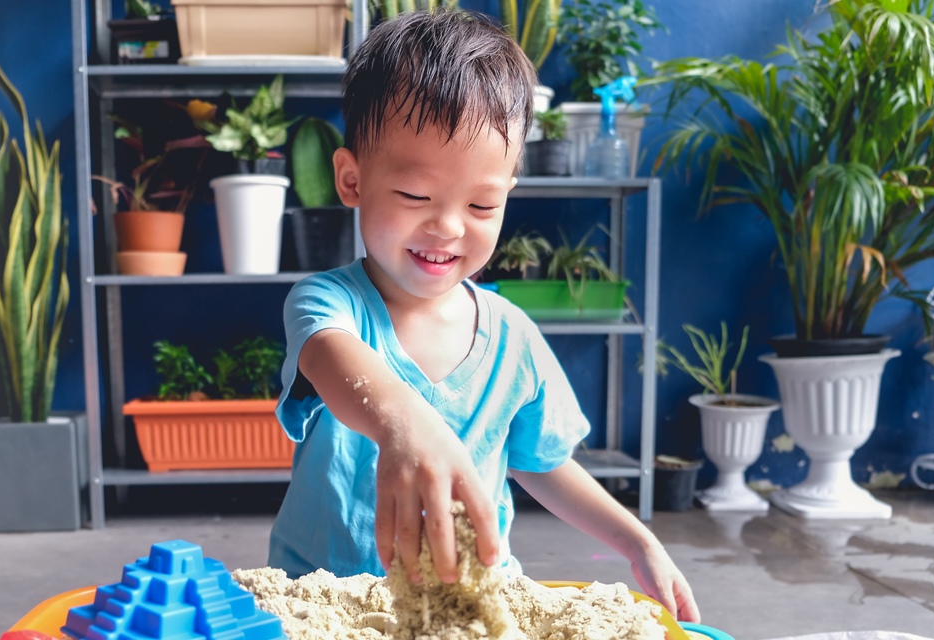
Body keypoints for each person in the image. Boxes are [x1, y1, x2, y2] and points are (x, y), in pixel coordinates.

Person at [267, 10, 701, 623]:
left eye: (481, 203)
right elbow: (337, 362)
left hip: (469, 609)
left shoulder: (513, 337)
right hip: (330, 606)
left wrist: (638, 541)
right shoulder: (328, 305)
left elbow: (542, 462)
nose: (447, 226)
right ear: (351, 179)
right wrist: (403, 423)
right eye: (416, 195)